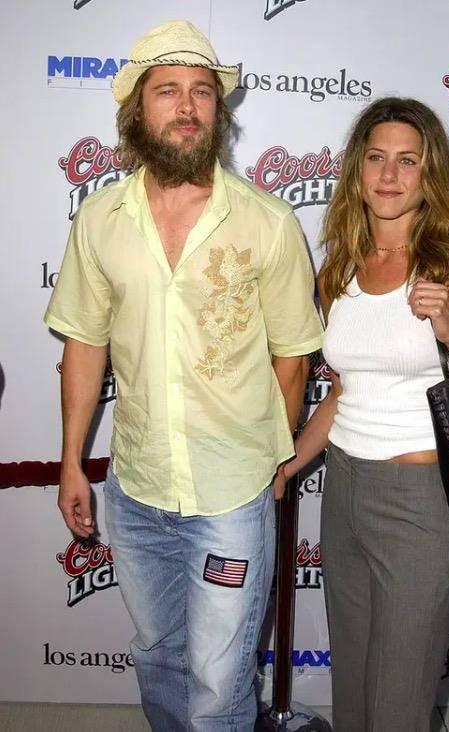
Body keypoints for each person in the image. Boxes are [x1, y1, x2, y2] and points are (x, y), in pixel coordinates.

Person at [44, 20, 323, 732]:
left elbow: (293, 357)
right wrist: (72, 461)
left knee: (219, 683)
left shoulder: (268, 221)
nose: (188, 105)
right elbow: (84, 344)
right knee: (158, 657)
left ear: (218, 111)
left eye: (202, 91)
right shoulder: (100, 220)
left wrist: (275, 460)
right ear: (137, 110)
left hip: (231, 494)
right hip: (136, 488)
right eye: (168, 90)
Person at [275, 97, 449, 731]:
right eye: (376, 158)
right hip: (344, 491)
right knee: (354, 687)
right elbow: (343, 393)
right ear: (357, 170)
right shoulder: (337, 269)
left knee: (399, 700)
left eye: (407, 161)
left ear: (429, 174)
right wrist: (287, 464)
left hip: (420, 501)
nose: (389, 175)